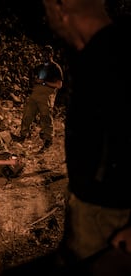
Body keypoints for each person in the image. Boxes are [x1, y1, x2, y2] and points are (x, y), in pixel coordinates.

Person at [41, 0, 131, 274]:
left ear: (59, 8)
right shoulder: (96, 54)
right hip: (91, 207)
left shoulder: (118, 53)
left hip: (113, 215)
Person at [13, 45, 63, 153]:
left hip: (47, 95)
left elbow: (59, 85)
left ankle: (48, 140)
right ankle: (22, 136)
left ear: (51, 54)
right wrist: (33, 82)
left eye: (47, 53)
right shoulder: (39, 67)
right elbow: (32, 80)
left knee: (46, 116)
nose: (44, 55)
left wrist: (44, 82)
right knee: (27, 113)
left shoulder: (55, 67)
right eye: (43, 53)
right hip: (35, 93)